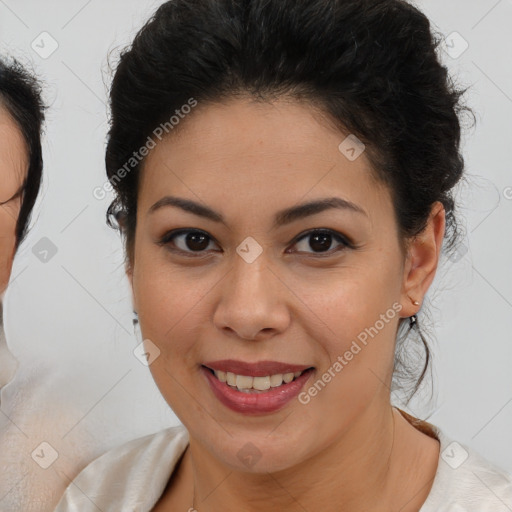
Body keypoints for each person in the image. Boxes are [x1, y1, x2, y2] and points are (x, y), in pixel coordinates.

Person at [54, 0, 512, 510]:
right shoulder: (88, 497)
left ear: (416, 261)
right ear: (131, 254)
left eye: (320, 241)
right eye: (193, 240)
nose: (248, 313)